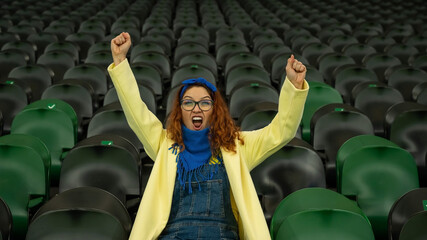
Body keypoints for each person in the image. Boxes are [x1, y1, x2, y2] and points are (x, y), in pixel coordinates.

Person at [108, 32, 309, 240]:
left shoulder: (237, 145)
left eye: (204, 102)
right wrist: (121, 61)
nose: (197, 108)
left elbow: (281, 131)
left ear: (215, 110)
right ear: (180, 110)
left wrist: (294, 87)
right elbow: (135, 112)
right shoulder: (163, 143)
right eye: (188, 102)